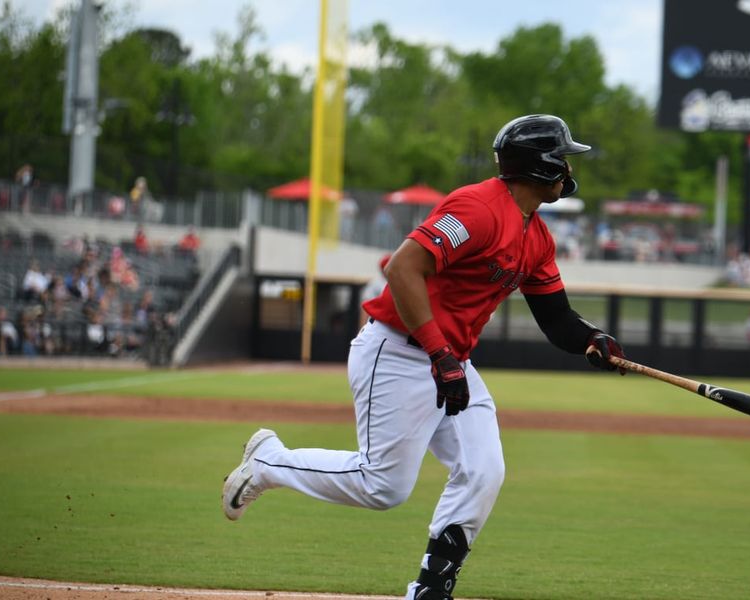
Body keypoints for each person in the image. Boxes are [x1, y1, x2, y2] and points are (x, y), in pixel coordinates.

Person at [221, 115, 626, 600]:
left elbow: (557, 319)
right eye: (561, 158)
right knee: (383, 487)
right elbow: (402, 268)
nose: (567, 168)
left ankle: (431, 589)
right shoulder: (477, 209)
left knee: (484, 469)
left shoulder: (537, 237)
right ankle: (269, 462)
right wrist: (440, 355)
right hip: (398, 351)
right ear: (538, 165)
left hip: (450, 361)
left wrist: (594, 340)